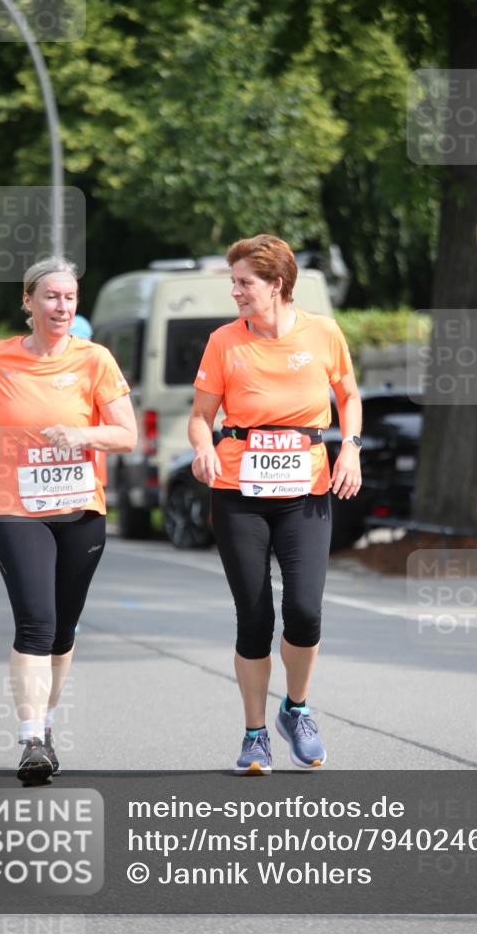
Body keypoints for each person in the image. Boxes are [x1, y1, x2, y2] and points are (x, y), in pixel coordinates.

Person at [0, 257, 137, 783]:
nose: (62, 306)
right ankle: (31, 739)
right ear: (28, 302)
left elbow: (127, 434)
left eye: (70, 298)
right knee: (35, 623)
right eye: (51, 297)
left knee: (62, 631)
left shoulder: (95, 359)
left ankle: (48, 724)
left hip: (80, 510)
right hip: (18, 510)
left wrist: (84, 436)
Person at [188, 234, 362, 775]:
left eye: (245, 282)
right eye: (233, 281)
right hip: (238, 492)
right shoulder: (223, 342)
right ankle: (255, 734)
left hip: (304, 492)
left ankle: (298, 709)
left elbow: (349, 397)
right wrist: (201, 448)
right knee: (255, 615)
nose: (234, 290)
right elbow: (201, 415)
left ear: (277, 285)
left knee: (305, 611)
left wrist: (350, 449)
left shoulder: (324, 333)